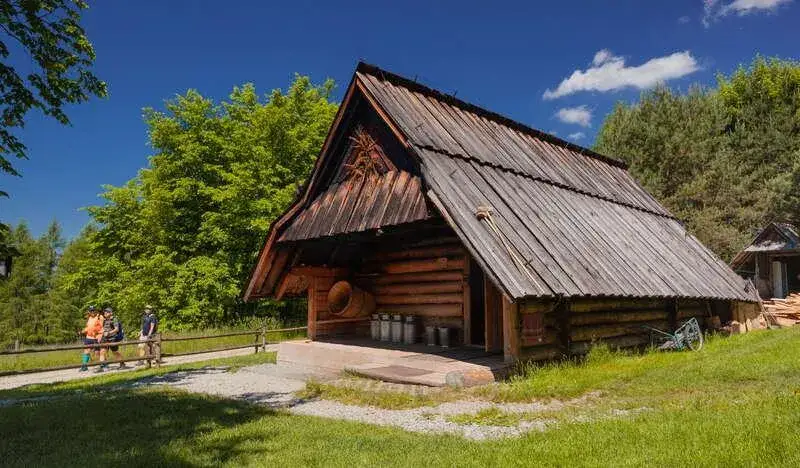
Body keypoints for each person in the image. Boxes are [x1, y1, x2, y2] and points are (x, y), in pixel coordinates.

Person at [97, 307, 126, 372]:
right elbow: (104, 328)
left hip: (113, 338)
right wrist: (101, 335)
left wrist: (109, 333)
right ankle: (101, 366)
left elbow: (116, 329)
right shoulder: (105, 320)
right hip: (105, 338)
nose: (105, 313)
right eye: (105, 312)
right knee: (102, 351)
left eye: (107, 312)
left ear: (111, 313)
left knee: (115, 352)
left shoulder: (114, 319)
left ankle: (122, 363)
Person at [80, 306, 103, 372]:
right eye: (91, 311)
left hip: (96, 337)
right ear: (89, 312)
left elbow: (101, 327)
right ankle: (84, 366)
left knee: (97, 353)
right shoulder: (89, 318)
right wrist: (83, 331)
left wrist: (100, 335)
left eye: (93, 310)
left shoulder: (99, 317)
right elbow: (88, 327)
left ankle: (100, 366)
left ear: (96, 311)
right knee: (86, 351)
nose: (92, 312)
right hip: (88, 337)